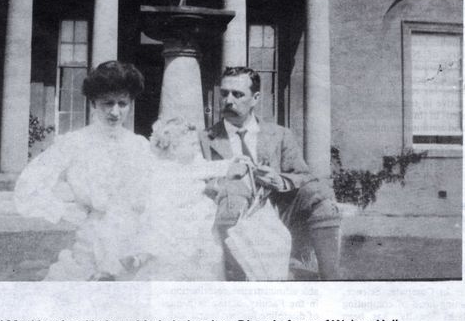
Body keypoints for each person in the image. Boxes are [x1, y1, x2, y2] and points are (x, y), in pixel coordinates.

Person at [199, 66, 341, 280]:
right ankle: (236, 287)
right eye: (224, 93)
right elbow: (196, 181)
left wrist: (280, 180)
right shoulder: (205, 139)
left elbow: (303, 176)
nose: (228, 100)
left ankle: (333, 284)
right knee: (234, 196)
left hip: (276, 209)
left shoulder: (279, 134)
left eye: (237, 94)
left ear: (255, 98)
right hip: (231, 210)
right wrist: (226, 177)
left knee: (321, 200)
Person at [15, 61, 152, 281]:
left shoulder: (141, 146)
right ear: (93, 103)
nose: (115, 112)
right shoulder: (74, 143)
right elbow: (28, 186)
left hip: (133, 248)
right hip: (90, 245)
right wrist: (64, 212)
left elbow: (159, 196)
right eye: (108, 103)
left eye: (122, 103)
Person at [128, 117, 232, 281]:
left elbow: (209, 167)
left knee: (204, 259)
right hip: (174, 221)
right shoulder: (166, 169)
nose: (197, 149)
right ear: (175, 148)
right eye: (192, 145)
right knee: (168, 256)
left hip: (197, 221)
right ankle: (143, 255)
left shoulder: (192, 163)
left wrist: (232, 163)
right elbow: (155, 201)